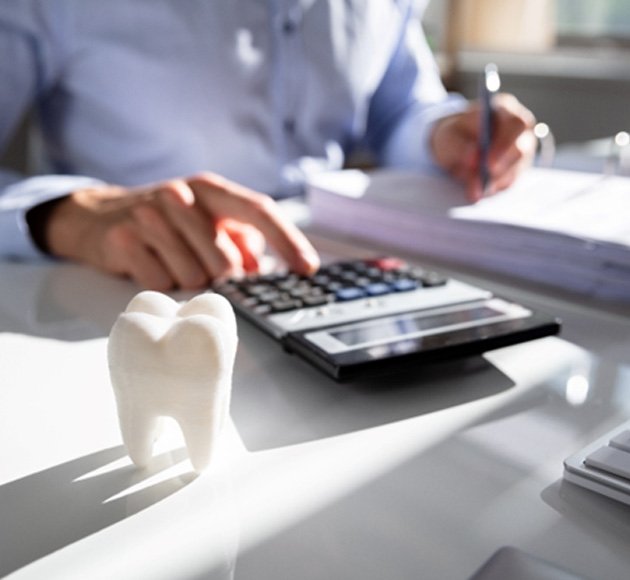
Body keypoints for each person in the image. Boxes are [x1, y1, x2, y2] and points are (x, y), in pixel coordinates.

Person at [0, 0, 536, 291]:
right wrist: (68, 216)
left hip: (335, 274)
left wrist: (444, 134)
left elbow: (398, 110)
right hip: (125, 290)